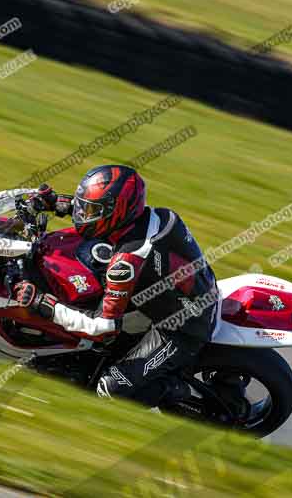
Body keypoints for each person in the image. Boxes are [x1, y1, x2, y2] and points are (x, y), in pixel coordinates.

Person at [12, 164, 218, 407]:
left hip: (180, 327)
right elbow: (102, 217)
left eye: (91, 210)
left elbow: (103, 327)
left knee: (109, 388)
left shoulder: (127, 262)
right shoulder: (159, 216)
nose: (83, 213)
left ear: (118, 212)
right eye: (84, 206)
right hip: (168, 296)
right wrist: (57, 202)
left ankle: (176, 393)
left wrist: (42, 302)